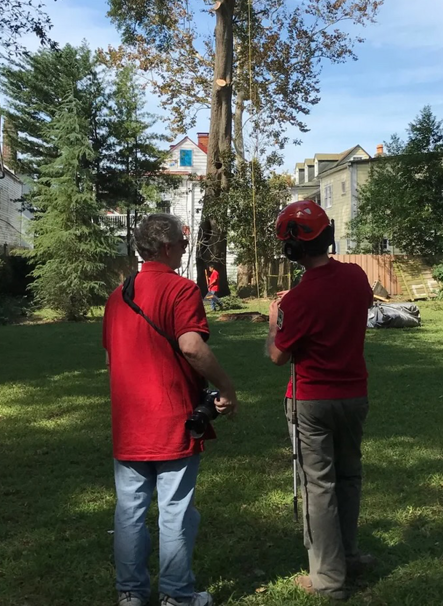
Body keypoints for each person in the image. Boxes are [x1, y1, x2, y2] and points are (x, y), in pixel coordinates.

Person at [103, 214, 238, 606]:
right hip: (171, 419)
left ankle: (131, 593)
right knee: (176, 510)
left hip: (129, 422)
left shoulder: (118, 295)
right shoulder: (181, 290)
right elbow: (192, 346)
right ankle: (178, 594)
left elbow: (112, 358)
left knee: (129, 509)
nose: (184, 247)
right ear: (165, 247)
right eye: (181, 241)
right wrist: (226, 387)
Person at [265, 200, 374, 601]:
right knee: (349, 478)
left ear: (291, 249)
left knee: (319, 488)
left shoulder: (296, 301)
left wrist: (277, 316)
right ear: (328, 237)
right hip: (355, 395)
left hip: (311, 401)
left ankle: (328, 579)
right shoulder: (357, 277)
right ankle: (349, 555)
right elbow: (354, 305)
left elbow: (278, 357)